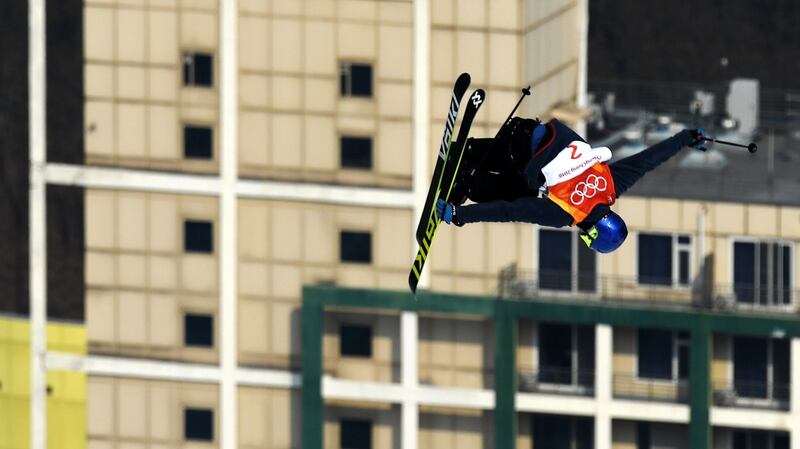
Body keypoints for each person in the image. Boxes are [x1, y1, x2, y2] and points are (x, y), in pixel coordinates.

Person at [435, 117, 705, 253]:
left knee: (530, 186)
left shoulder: (612, 185)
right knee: (519, 195)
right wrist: (461, 216)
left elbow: (649, 160)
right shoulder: (566, 213)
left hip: (534, 130)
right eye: (590, 240)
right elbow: (509, 211)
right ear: (594, 233)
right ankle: (470, 181)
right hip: (518, 148)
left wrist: (685, 138)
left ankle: (468, 155)